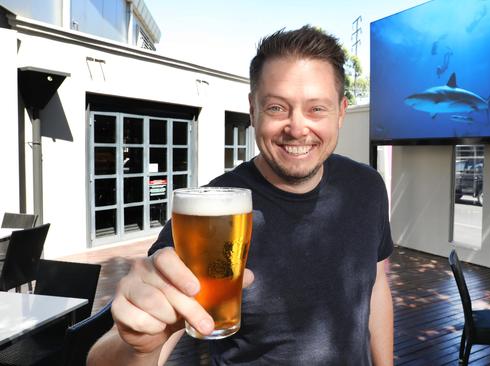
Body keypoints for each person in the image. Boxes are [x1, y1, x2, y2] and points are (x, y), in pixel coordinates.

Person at [88, 25, 394, 365]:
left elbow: (377, 285)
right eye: (277, 108)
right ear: (253, 110)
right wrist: (137, 346)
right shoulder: (207, 214)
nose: (296, 127)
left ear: (340, 112)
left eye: (316, 109)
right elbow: (112, 356)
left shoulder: (367, 187)